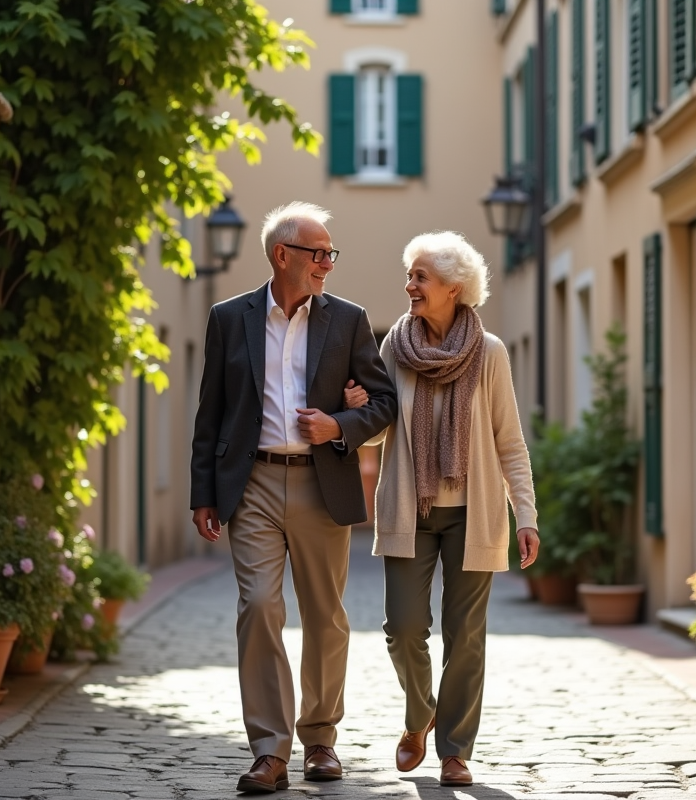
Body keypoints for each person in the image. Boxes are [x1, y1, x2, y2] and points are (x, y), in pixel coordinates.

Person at [190, 201, 397, 794]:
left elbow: (385, 403)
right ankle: (269, 750)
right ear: (283, 256)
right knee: (258, 606)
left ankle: (321, 739)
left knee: (325, 615)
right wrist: (203, 492)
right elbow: (211, 411)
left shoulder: (349, 320)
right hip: (251, 482)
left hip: (321, 482)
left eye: (331, 254)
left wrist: (338, 426)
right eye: (319, 253)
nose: (328, 263)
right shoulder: (229, 318)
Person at [344, 230, 538, 788]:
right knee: (403, 628)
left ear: (454, 288)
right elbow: (377, 434)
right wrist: (358, 409)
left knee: (465, 635)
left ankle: (455, 749)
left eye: (420, 277)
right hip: (411, 510)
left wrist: (525, 515)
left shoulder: (490, 353)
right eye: (409, 276)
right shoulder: (394, 348)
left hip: (474, 512)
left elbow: (509, 442)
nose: (409, 285)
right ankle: (420, 714)